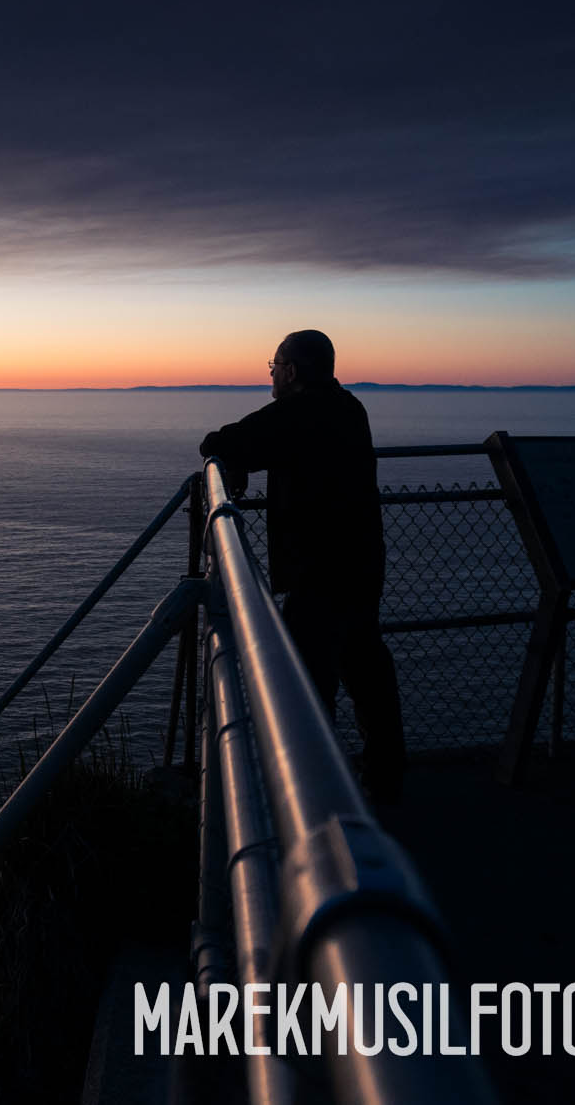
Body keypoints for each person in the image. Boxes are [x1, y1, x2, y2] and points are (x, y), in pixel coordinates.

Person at [199, 330, 405, 804]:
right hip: (361, 562)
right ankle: (384, 778)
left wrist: (234, 463)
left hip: (320, 571)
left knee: (307, 684)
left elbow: (222, 441)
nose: (270, 374)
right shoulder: (349, 409)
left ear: (291, 371)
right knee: (366, 669)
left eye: (273, 366)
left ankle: (314, 794)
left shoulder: (297, 414)